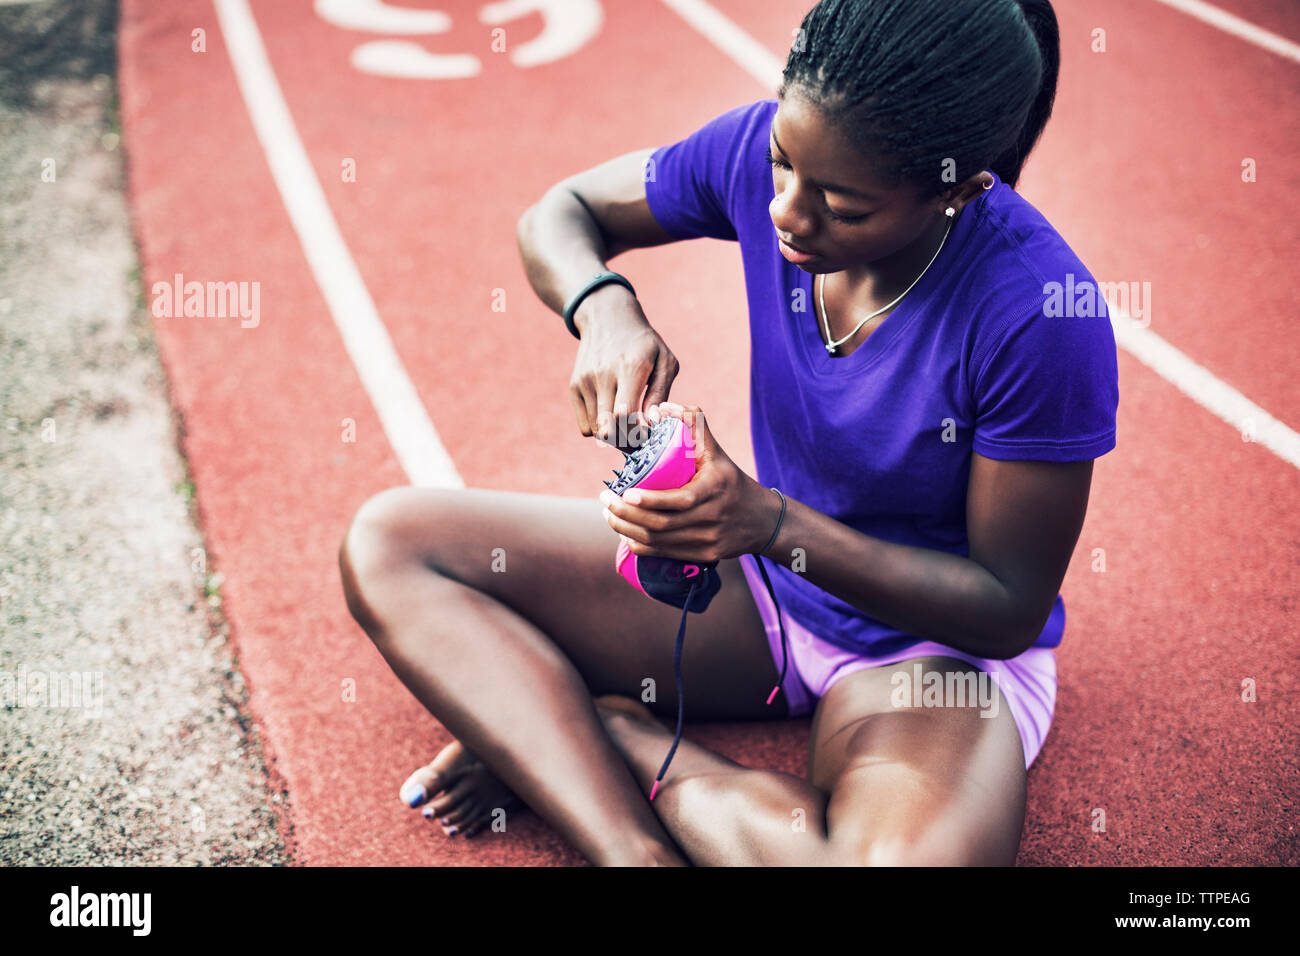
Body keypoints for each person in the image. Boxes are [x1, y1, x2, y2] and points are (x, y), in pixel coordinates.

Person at [338, 0, 1118, 866]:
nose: (787, 211)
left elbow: (1005, 608)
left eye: (843, 207)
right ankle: (630, 849)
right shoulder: (763, 154)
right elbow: (559, 213)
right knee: (393, 543)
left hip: (926, 653)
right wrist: (603, 309)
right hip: (755, 591)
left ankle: (613, 734)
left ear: (960, 189)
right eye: (784, 164)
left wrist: (773, 526)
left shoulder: (1039, 314)